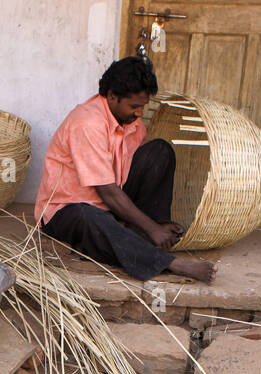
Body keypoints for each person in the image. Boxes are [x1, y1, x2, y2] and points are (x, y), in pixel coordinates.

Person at [35, 56, 217, 284]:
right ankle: (168, 263)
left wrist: (155, 223)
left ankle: (139, 236)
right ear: (112, 96)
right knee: (89, 217)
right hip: (69, 212)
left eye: (143, 106)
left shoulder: (130, 121)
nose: (139, 113)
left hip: (111, 209)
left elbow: (138, 174)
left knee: (160, 151)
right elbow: (108, 192)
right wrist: (151, 227)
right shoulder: (87, 123)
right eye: (134, 106)